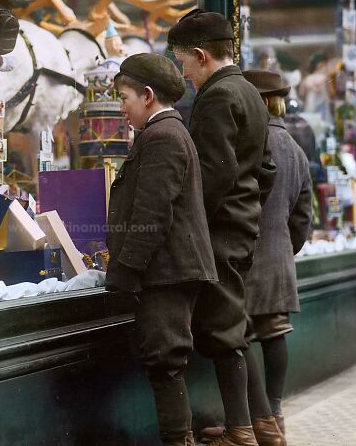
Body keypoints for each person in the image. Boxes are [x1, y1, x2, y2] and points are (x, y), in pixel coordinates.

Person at [168, 9, 281, 446]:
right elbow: (265, 169)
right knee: (237, 326)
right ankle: (263, 426)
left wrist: (193, 226)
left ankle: (240, 432)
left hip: (218, 233)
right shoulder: (250, 91)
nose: (184, 73)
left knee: (222, 330)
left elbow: (213, 177)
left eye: (184, 63)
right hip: (240, 227)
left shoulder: (216, 96)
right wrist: (246, 211)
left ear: (200, 55)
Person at [105, 53, 218, 446]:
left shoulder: (162, 136)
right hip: (170, 269)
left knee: (165, 362)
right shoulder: (168, 132)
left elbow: (152, 214)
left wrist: (125, 269)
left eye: (124, 98)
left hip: (168, 272)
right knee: (165, 362)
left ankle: (178, 442)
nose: (122, 108)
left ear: (148, 95)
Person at [242, 70, 313, 434]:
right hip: (278, 256)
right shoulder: (296, 150)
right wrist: (286, 247)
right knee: (274, 333)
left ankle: (250, 422)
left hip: (241, 257)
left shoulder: (246, 142)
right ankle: (275, 415)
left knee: (239, 339)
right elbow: (303, 218)